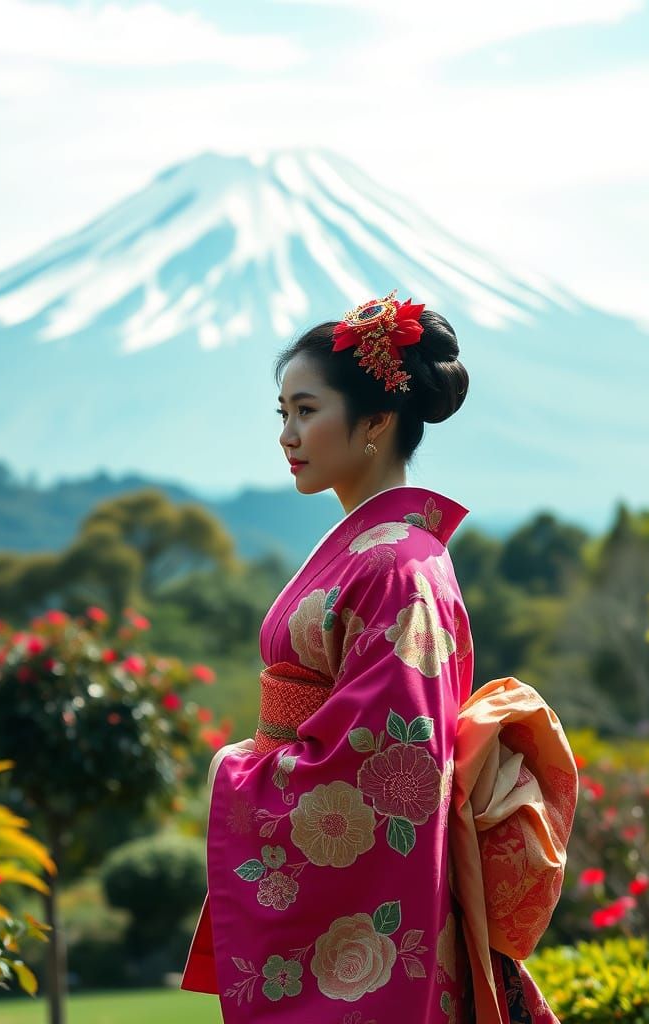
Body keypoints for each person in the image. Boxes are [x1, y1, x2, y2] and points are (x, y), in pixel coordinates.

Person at [181, 289, 576, 1023]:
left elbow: (393, 764)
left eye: (306, 410)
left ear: (374, 422)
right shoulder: (377, 553)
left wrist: (240, 775)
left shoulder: (397, 568)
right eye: (282, 413)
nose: (287, 434)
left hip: (357, 850)